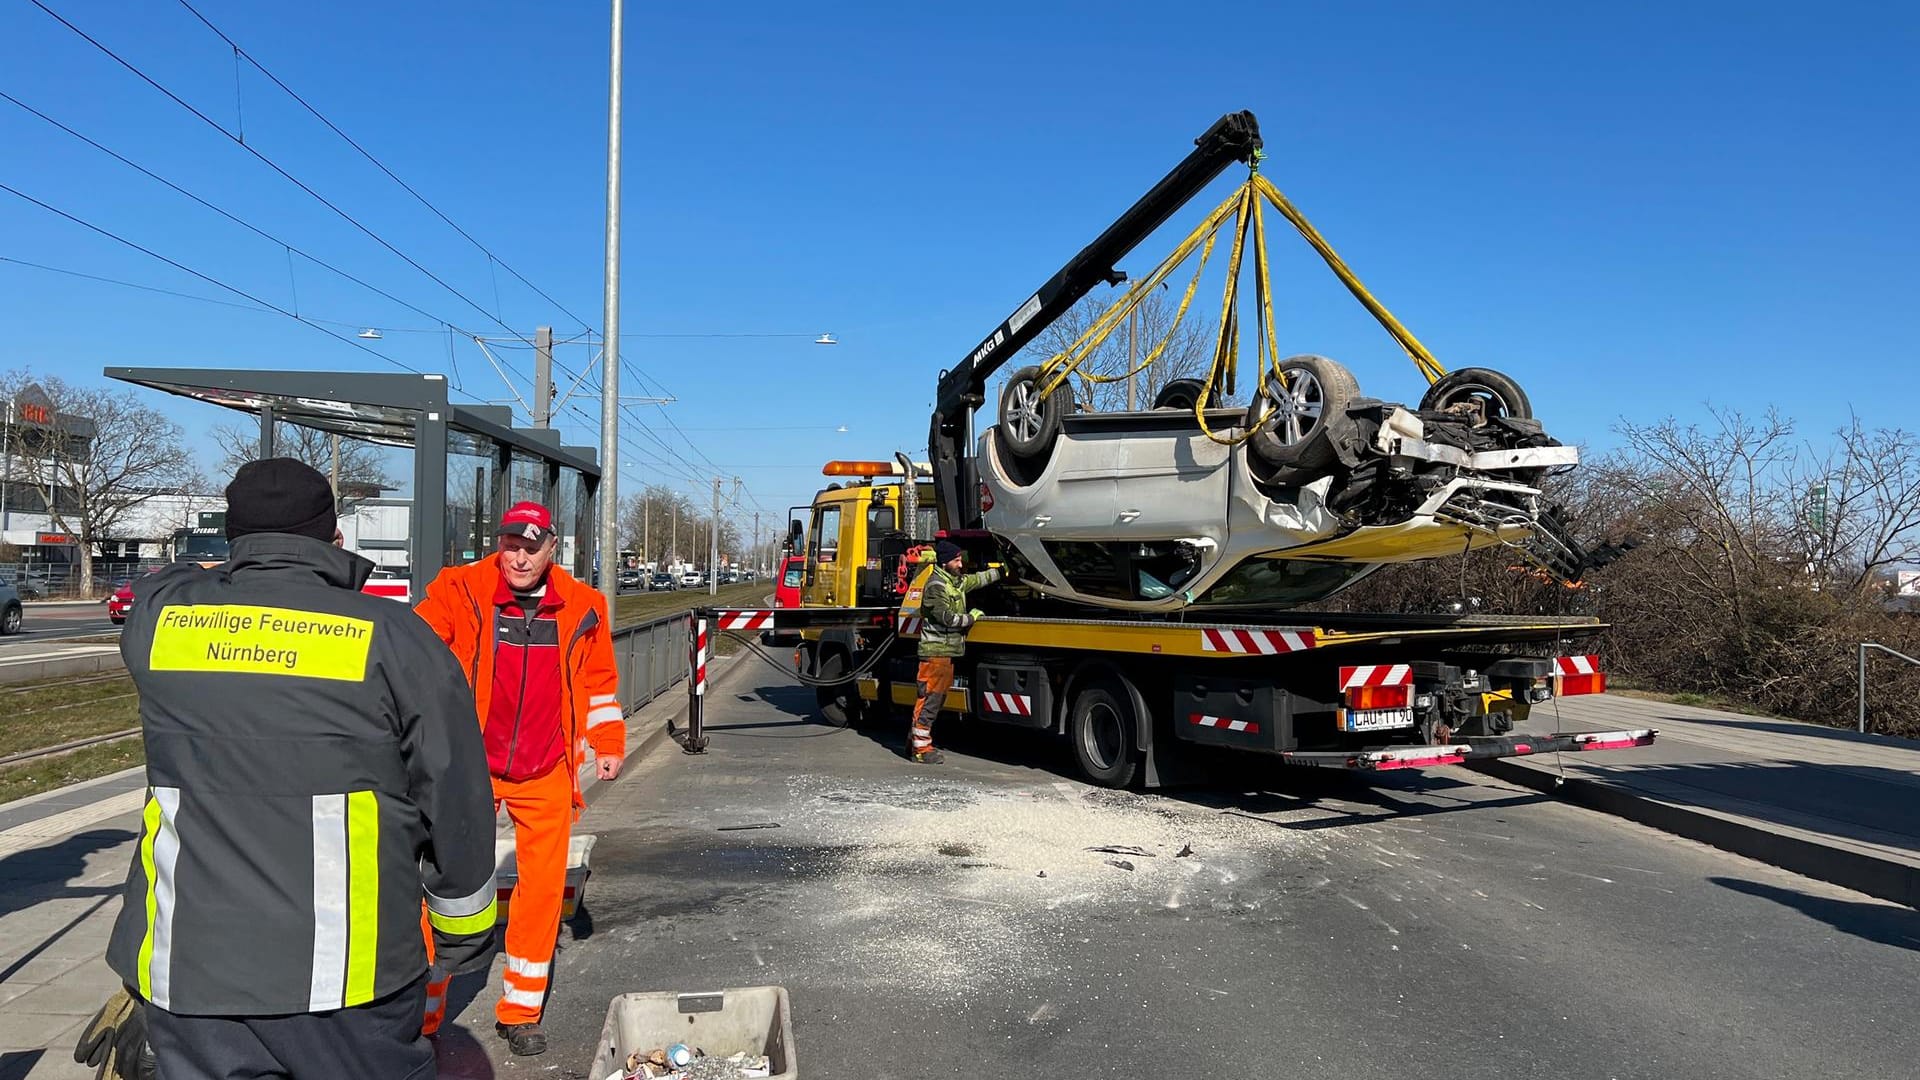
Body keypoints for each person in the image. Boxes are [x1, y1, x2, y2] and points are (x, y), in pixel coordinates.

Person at [104, 458, 499, 1080]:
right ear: (334, 539)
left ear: (233, 540)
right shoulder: (395, 639)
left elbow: (167, 577)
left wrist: (225, 567)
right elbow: (455, 799)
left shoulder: (159, 621)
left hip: (187, 973)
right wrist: (463, 933)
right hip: (345, 978)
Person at [414, 501, 625, 1057]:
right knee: (445, 885)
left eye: (533, 547)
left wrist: (607, 742)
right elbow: (412, 649)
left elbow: (599, 684)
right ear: (499, 542)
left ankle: (521, 1011)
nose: (521, 557)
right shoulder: (458, 590)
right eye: (512, 544)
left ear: (553, 548)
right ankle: (426, 1010)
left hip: (546, 769)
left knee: (541, 893)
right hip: (468, 768)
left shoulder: (583, 606)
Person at [909, 539, 1001, 764]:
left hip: (946, 653)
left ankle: (915, 742)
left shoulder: (955, 582)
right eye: (957, 560)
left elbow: (978, 579)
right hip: (935, 653)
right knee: (930, 700)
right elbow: (948, 618)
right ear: (945, 562)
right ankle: (920, 750)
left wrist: (1004, 570)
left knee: (934, 700)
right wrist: (972, 617)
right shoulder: (936, 586)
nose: (961, 564)